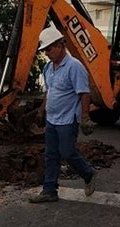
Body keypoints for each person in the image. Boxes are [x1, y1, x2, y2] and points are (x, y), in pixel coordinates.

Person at [29, 24, 96, 203]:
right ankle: (49, 190)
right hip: (52, 120)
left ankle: (88, 173)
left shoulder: (74, 67)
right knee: (51, 155)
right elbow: (49, 91)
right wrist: (41, 111)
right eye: (44, 50)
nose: (46, 53)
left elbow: (84, 92)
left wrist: (85, 118)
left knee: (67, 152)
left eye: (49, 49)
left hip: (67, 119)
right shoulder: (48, 68)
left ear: (60, 45)